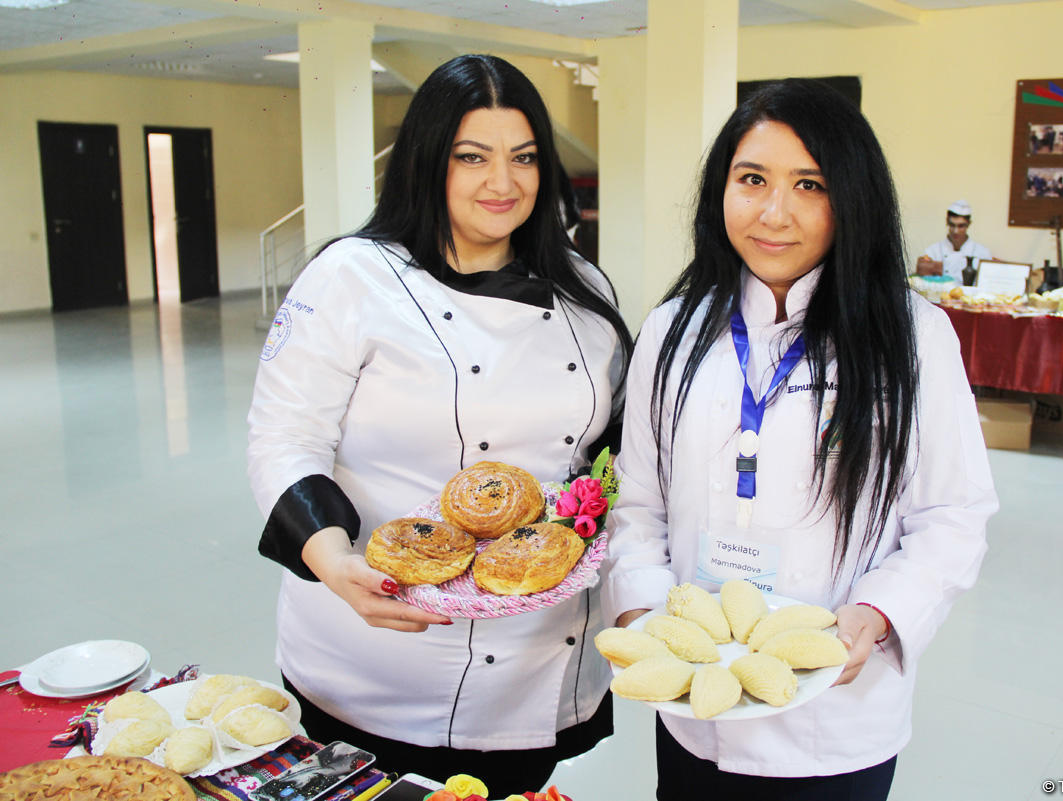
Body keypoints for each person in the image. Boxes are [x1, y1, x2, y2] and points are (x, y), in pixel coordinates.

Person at [247, 54, 633, 796]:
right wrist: (332, 559)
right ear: (429, 161)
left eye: (524, 157)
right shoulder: (352, 278)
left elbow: (610, 457)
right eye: (472, 157)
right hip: (380, 647)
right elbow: (284, 436)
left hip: (534, 658)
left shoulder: (585, 288)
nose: (504, 182)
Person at [604, 79, 997, 799]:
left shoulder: (911, 336)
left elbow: (954, 512)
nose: (773, 213)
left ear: (852, 197)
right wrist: (647, 613)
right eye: (751, 179)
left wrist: (877, 614)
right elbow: (638, 504)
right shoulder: (673, 330)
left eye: (809, 184)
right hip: (695, 710)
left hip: (836, 721)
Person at [914, 199, 992, 282]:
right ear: (947, 222)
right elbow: (923, 282)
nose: (956, 231)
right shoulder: (932, 251)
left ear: (969, 224)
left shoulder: (982, 253)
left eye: (961, 226)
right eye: (952, 225)